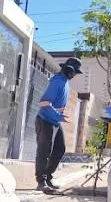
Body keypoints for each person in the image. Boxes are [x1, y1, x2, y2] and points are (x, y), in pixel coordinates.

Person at [35, 57, 82, 194]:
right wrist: (58, 115)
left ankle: (48, 177)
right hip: (45, 120)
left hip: (54, 121)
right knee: (44, 152)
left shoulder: (65, 82)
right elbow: (43, 103)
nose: (74, 76)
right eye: (74, 72)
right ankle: (41, 181)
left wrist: (58, 116)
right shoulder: (57, 81)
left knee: (59, 149)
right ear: (69, 70)